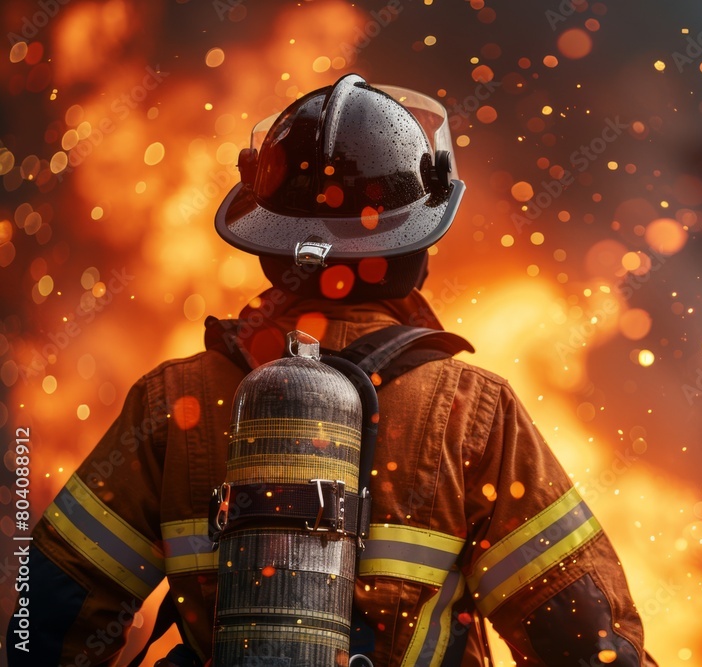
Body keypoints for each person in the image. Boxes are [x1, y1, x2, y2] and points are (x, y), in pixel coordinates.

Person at [8, 74, 656, 666]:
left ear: (268, 241)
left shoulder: (174, 402)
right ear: (417, 243)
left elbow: (49, 619)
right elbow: (589, 642)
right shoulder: (473, 412)